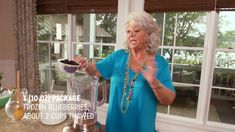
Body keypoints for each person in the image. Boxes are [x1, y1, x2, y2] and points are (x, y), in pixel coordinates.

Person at [74, 11, 176, 132]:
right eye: (128, 31)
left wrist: (154, 82)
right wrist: (85, 65)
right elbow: (96, 69)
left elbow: (169, 99)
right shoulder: (118, 57)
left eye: (136, 31)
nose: (131, 34)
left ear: (149, 35)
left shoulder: (159, 63)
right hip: (114, 127)